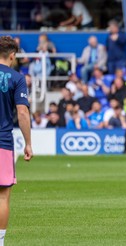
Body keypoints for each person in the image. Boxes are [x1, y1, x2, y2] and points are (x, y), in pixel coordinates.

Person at [0, 36, 33, 245]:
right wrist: (28, 142)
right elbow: (22, 113)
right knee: (2, 196)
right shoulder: (16, 78)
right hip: (2, 141)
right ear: (12, 55)